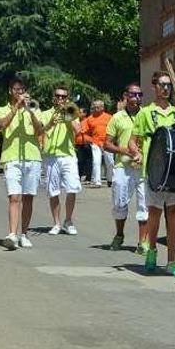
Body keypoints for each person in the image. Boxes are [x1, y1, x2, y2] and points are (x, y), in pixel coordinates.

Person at [129, 72, 175, 277]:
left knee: (173, 214)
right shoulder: (145, 113)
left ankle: (171, 261)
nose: (166, 89)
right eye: (162, 85)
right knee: (155, 213)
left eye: (169, 85)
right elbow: (133, 141)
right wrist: (136, 153)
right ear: (154, 87)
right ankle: (152, 250)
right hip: (154, 170)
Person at [0, 76, 45, 250]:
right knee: (14, 197)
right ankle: (12, 234)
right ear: (10, 91)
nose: (20, 93)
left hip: (32, 157)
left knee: (28, 198)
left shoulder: (34, 108)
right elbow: (2, 124)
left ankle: (23, 234)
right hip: (11, 157)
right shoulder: (1, 109)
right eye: (17, 90)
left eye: (22, 90)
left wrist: (30, 111)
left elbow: (40, 130)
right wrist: (16, 107)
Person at [104, 82, 147, 252]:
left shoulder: (146, 115)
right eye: (133, 94)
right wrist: (126, 151)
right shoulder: (117, 117)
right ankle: (119, 234)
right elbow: (106, 144)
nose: (136, 98)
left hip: (143, 167)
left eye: (139, 95)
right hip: (123, 166)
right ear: (126, 96)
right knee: (119, 203)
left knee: (144, 205)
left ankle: (142, 242)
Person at [39, 86, 83, 236]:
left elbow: (78, 131)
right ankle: (56, 223)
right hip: (51, 155)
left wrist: (67, 116)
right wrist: (51, 122)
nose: (60, 99)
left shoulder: (72, 112)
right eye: (58, 96)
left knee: (72, 188)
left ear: (67, 98)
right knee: (53, 191)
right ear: (53, 97)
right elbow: (39, 130)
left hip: (68, 154)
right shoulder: (45, 114)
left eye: (64, 97)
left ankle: (68, 221)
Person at [82, 100, 113, 188]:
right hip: (95, 143)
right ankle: (97, 181)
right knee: (96, 162)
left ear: (103, 107)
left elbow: (114, 130)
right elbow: (84, 131)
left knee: (110, 162)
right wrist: (90, 140)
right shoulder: (89, 119)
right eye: (94, 107)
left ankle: (110, 179)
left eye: (98, 107)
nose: (96, 109)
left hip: (107, 143)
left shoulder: (109, 117)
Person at [75, 107, 92, 182]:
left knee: (88, 161)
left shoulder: (88, 121)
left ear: (85, 113)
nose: (78, 114)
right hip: (78, 143)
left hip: (86, 143)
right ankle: (79, 175)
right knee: (79, 160)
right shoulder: (76, 121)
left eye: (80, 112)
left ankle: (88, 177)